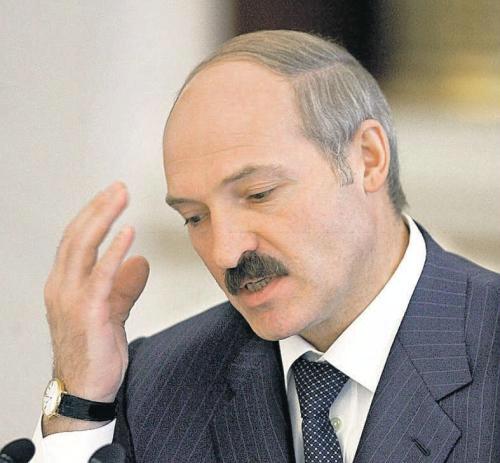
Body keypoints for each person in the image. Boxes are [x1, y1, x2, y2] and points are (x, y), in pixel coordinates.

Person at [32, 30, 499, 463]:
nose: (226, 253)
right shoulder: (158, 385)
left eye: (259, 194)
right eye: (195, 217)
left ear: (367, 159)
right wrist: (80, 405)